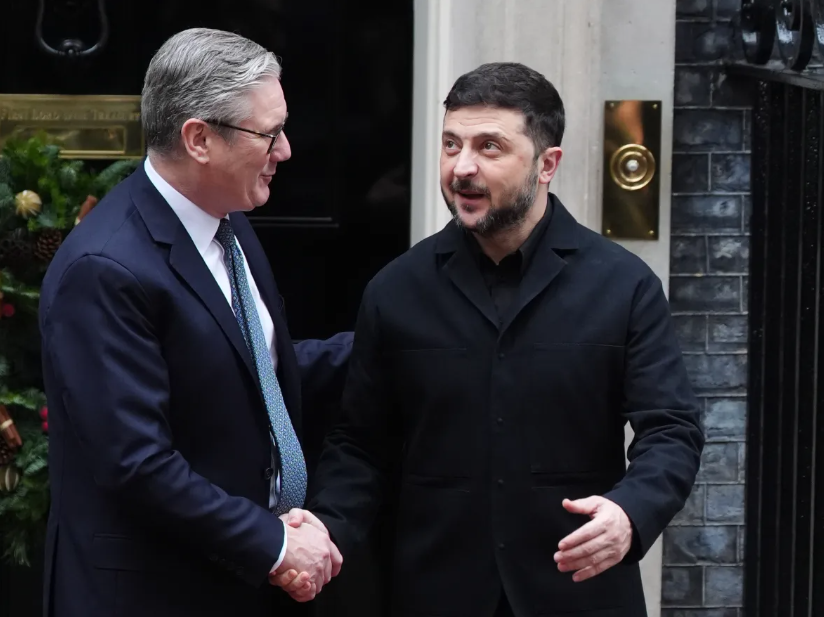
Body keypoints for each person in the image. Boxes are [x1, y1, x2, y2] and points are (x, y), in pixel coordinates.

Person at [291, 62, 705, 617]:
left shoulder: (624, 285)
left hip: (579, 593)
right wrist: (327, 529)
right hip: (435, 593)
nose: (462, 167)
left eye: (489, 147)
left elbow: (672, 429)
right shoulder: (396, 290)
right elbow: (360, 443)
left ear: (547, 164)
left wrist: (631, 512)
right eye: (451, 144)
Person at [38, 27, 350, 617]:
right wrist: (275, 545)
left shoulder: (227, 222)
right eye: (269, 133)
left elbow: (253, 373)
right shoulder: (104, 269)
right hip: (148, 595)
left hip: (231, 584)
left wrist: (393, 341)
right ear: (199, 139)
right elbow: (137, 464)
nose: (285, 151)